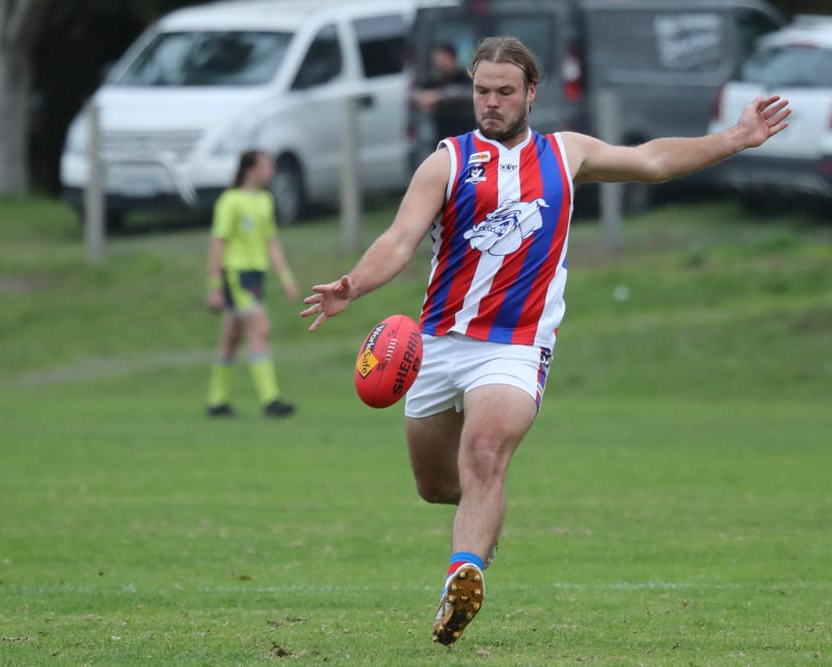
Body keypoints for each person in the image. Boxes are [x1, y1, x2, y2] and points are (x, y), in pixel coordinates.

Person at [301, 36, 789, 645]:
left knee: (484, 457)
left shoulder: (566, 153)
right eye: (482, 91)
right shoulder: (447, 161)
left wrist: (735, 139)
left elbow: (654, 161)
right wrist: (356, 283)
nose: (492, 102)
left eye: (505, 92)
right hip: (439, 342)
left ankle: (464, 575)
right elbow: (400, 241)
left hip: (515, 345)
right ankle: (482, 524)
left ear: (532, 93)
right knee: (436, 486)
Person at [206, 149, 298, 418]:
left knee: (232, 336)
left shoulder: (265, 201)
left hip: (257, 275)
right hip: (237, 274)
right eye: (266, 166)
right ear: (250, 169)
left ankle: (216, 401)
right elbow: (217, 242)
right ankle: (271, 399)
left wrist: (286, 279)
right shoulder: (230, 201)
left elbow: (271, 242)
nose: (271, 171)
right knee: (260, 328)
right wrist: (214, 286)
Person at [412, 42, 474, 141]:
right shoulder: (435, 81)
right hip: (443, 135)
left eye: (442, 60)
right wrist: (421, 98)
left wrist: (439, 96)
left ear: (453, 58)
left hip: (465, 132)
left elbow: (467, 92)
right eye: (436, 61)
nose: (439, 64)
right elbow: (416, 94)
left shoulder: (465, 78)